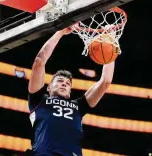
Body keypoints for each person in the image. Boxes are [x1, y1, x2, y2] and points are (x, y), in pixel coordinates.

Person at [27, 27, 115, 156]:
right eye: (60, 81)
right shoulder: (38, 100)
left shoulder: (78, 106)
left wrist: (110, 42)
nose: (64, 83)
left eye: (68, 84)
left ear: (69, 92)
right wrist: (61, 32)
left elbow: (105, 81)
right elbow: (39, 61)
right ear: (49, 87)